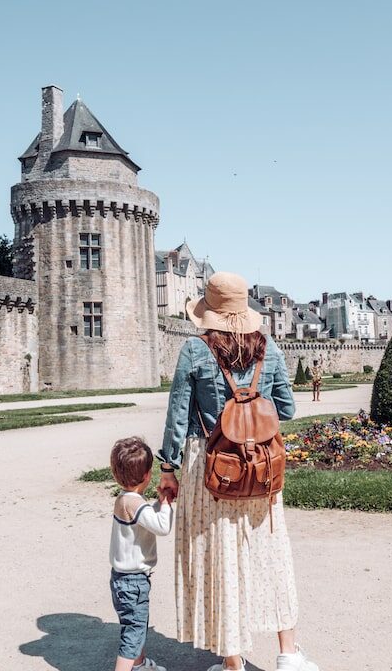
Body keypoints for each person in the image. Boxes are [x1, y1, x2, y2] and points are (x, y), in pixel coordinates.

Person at [157, 271, 319, 671]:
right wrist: (252, 424)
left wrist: (168, 468)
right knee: (271, 555)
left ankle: (232, 662)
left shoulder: (194, 351)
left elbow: (178, 414)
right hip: (259, 469)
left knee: (220, 560)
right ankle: (288, 654)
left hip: (210, 465)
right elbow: (286, 409)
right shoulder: (271, 350)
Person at [109, 437, 174, 671]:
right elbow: (161, 527)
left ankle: (139, 664)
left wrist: (157, 504)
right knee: (133, 632)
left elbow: (145, 521)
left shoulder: (125, 500)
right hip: (134, 581)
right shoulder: (136, 504)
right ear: (147, 475)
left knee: (135, 626)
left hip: (121, 578)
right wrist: (165, 503)